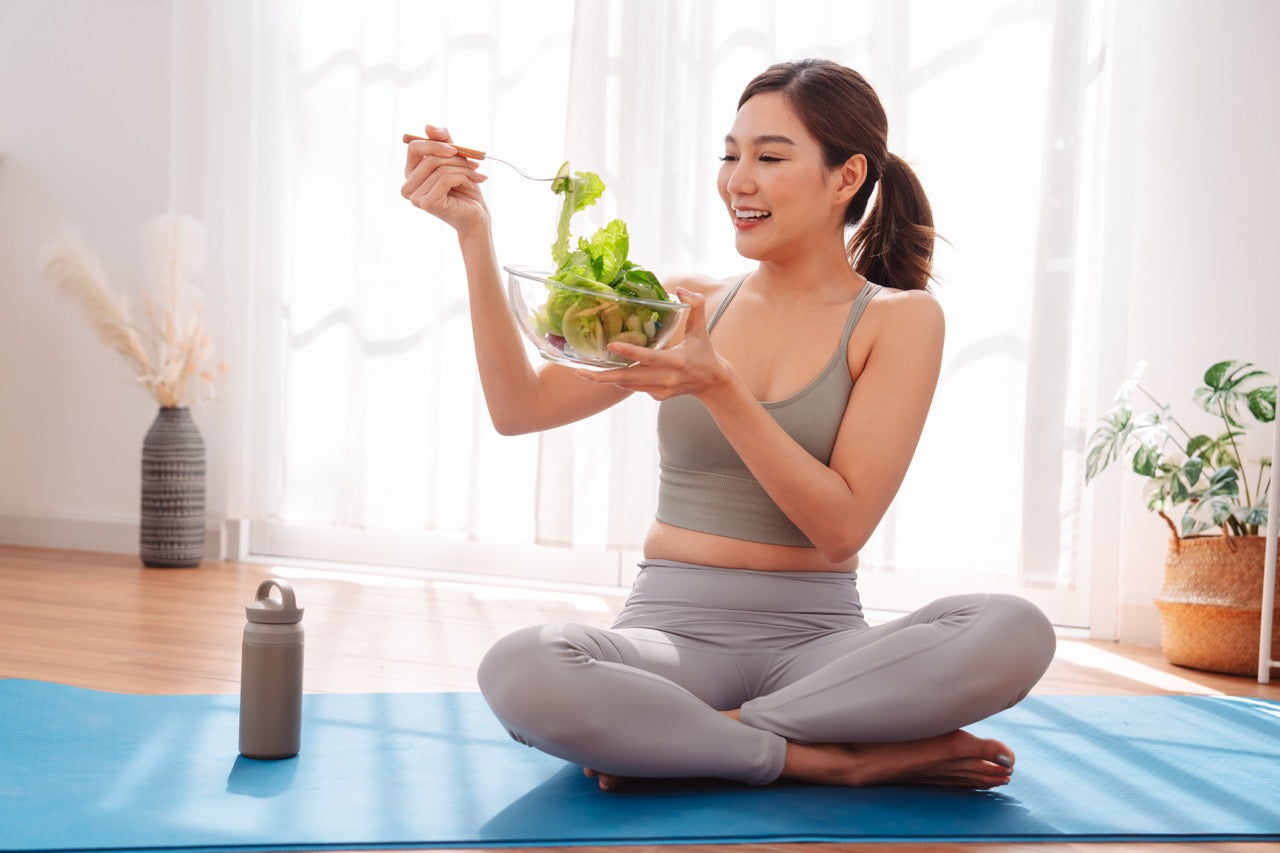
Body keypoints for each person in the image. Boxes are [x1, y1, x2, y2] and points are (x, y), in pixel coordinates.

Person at [401, 58, 1056, 791]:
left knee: (1014, 628)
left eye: (770, 157)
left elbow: (840, 527)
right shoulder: (685, 304)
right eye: (731, 154)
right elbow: (520, 407)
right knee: (519, 665)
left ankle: (697, 738)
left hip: (821, 647)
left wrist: (720, 389)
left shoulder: (900, 320)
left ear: (847, 177)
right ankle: (832, 758)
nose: (737, 180)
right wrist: (472, 235)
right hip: (671, 643)